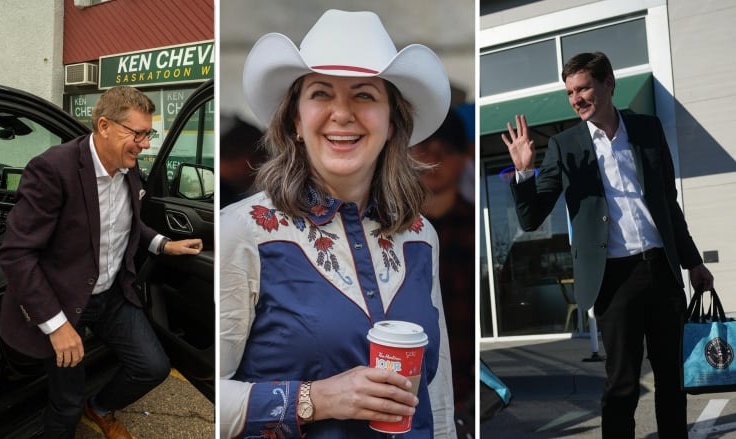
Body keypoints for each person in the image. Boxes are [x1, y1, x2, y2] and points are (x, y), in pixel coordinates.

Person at [220, 9, 456, 438]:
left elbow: (436, 394)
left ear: (391, 123)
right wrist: (318, 400)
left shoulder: (421, 235)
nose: (342, 113)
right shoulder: (245, 230)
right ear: (295, 119)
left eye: (365, 95)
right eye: (321, 94)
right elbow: (212, 402)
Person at [501, 51, 714, 438]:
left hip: (661, 271)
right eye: (569, 92)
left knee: (672, 378)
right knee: (622, 384)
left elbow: (668, 203)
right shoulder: (566, 146)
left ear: (608, 84)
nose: (576, 98)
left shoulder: (647, 129)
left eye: (583, 88)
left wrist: (693, 262)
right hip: (614, 279)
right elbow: (532, 218)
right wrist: (524, 171)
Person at [0, 85, 203, 439]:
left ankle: (101, 408)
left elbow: (124, 222)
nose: (145, 143)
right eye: (137, 133)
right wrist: (56, 325)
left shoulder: (128, 166)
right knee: (66, 401)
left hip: (110, 295)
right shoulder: (53, 170)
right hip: (63, 304)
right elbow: (17, 253)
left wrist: (162, 244)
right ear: (105, 126)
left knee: (153, 367)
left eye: (148, 133)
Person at [411, 109, 475, 409]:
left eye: (446, 150)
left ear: (464, 157)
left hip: (465, 389)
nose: (434, 160)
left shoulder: (475, 228)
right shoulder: (383, 226)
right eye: (425, 148)